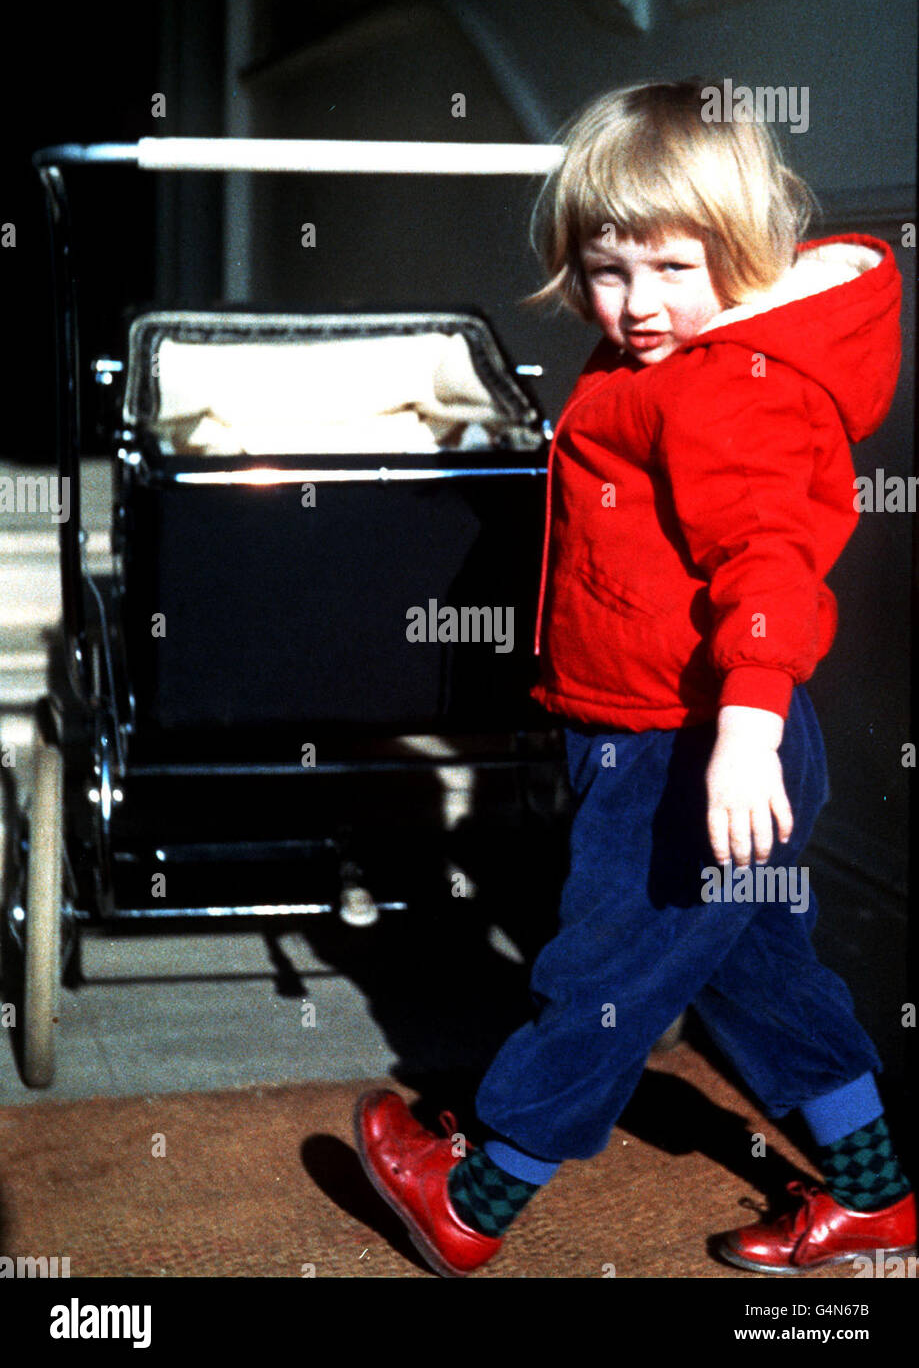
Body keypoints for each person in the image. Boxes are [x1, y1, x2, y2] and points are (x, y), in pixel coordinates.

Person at [353, 79, 915, 1277]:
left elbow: (767, 556)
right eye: (609, 271)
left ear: (746, 252)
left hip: (697, 742)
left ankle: (482, 1191)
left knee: (603, 972)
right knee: (761, 974)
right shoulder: (667, 359)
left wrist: (747, 726)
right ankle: (876, 1194)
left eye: (672, 269)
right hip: (672, 727)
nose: (637, 303)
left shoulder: (732, 388)